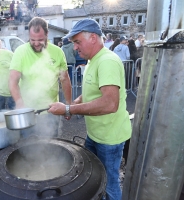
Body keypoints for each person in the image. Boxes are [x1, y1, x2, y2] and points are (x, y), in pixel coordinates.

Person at [48, 19, 131, 200]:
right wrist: (72, 106)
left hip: (109, 138)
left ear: (93, 37)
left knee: (109, 184)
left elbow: (110, 103)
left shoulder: (107, 61)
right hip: (95, 134)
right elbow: (91, 93)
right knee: (94, 177)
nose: (75, 48)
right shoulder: (93, 59)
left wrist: (69, 108)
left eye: (78, 42)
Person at [9, 17, 72, 138]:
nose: (36, 43)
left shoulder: (58, 52)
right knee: (28, 147)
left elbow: (65, 79)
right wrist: (19, 102)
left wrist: (68, 105)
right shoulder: (20, 52)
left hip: (51, 111)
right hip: (28, 112)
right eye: (32, 40)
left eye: (40, 40)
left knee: (52, 145)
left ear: (47, 34)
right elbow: (13, 81)